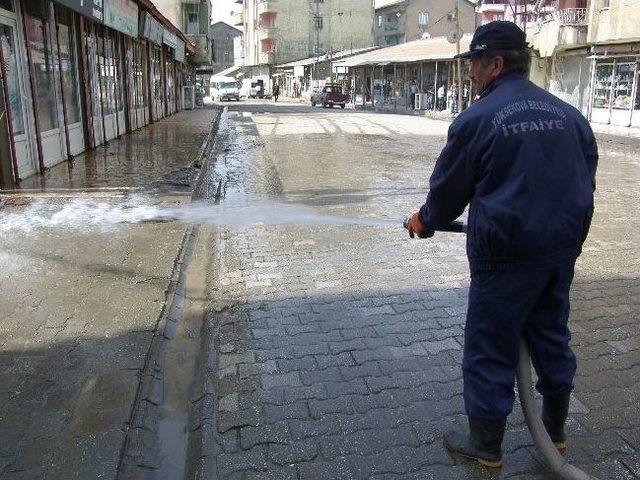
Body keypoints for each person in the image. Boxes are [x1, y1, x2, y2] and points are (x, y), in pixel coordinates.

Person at [406, 21, 598, 469]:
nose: (469, 73)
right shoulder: (569, 115)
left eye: (474, 63)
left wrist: (424, 221)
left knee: (491, 344)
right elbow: (585, 178)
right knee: (551, 334)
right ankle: (555, 434)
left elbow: (449, 192)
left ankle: (485, 446)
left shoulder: (476, 120)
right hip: (559, 250)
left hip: (507, 256)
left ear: (495, 64)